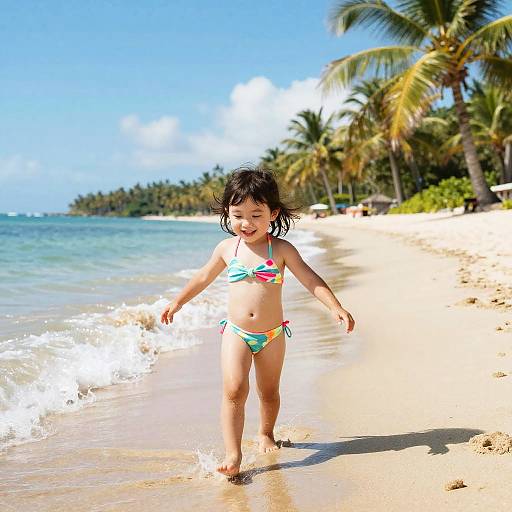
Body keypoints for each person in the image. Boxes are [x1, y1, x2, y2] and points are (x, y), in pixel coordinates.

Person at [160, 166, 355, 478]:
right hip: (236, 332)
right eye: (238, 215)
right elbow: (202, 277)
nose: (246, 223)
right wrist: (178, 301)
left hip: (272, 335)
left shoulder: (281, 250)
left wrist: (336, 306)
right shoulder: (226, 249)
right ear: (227, 213)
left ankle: (266, 432)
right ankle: (233, 454)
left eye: (256, 214)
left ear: (273, 214)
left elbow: (309, 278)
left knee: (269, 392)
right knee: (234, 389)